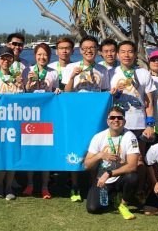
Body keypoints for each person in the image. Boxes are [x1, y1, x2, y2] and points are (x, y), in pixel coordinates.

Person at [63, 36, 110, 202]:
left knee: (94, 149)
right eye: (85, 48)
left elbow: (105, 93)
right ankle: (75, 185)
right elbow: (66, 93)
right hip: (76, 115)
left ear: (97, 50)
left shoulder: (103, 70)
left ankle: (92, 185)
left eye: (92, 48)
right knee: (76, 149)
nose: (89, 51)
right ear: (80, 50)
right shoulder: (71, 67)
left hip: (95, 116)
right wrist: (72, 77)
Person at [110, 40, 157, 201]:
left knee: (139, 159)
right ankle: (118, 190)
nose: (126, 55)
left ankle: (138, 191)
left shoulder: (143, 73)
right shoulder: (112, 73)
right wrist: (116, 94)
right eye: (123, 52)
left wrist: (150, 125)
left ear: (135, 54)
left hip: (138, 124)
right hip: (117, 123)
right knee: (117, 157)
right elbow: (107, 100)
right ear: (118, 54)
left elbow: (149, 102)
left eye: (130, 51)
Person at [83, 106, 139, 220]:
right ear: (108, 121)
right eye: (112, 117)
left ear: (124, 121)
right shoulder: (98, 137)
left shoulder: (131, 137)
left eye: (119, 118)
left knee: (132, 177)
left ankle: (123, 204)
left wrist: (109, 173)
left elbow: (133, 166)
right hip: (103, 180)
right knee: (93, 208)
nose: (116, 120)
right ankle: (113, 195)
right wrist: (100, 155)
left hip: (120, 177)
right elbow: (86, 165)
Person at [22, 42, 60, 198]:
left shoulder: (53, 73)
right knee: (30, 150)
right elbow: (23, 92)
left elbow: (55, 90)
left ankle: (45, 186)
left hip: (46, 115)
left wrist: (57, 90)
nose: (42, 57)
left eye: (45, 54)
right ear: (35, 56)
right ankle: (30, 184)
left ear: (49, 56)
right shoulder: (28, 70)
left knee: (45, 151)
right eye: (39, 54)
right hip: (30, 116)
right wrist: (28, 83)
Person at [0, 46, 23, 200]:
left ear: (12, 60)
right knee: (1, 155)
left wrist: (21, 86)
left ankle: (8, 186)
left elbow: (22, 100)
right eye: (3, 58)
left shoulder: (17, 77)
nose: (6, 61)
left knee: (12, 155)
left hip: (14, 122)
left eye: (9, 58)